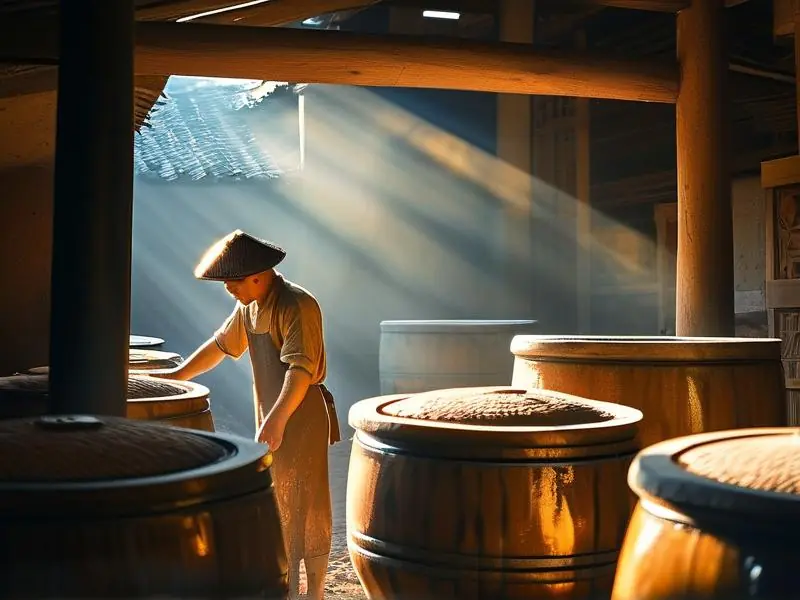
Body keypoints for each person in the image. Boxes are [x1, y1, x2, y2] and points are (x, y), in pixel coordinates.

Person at [155, 229, 340, 600]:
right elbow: (220, 346)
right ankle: (284, 583)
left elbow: (299, 372)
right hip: (273, 412)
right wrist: (176, 378)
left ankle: (316, 590)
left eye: (232, 283)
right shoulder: (249, 305)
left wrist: (277, 420)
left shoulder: (296, 305)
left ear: (258, 276)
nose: (229, 290)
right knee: (278, 501)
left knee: (309, 500)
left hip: (300, 415)